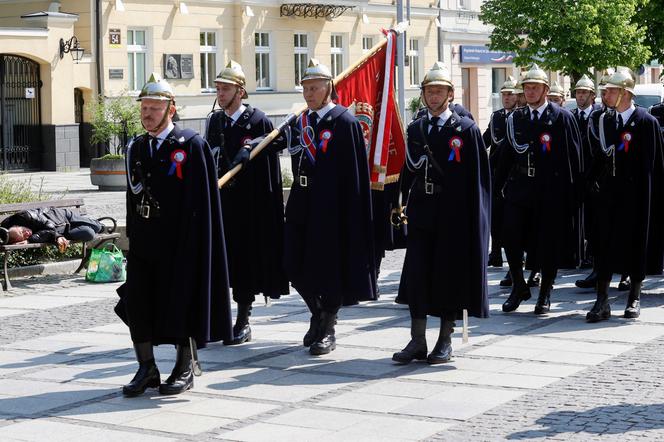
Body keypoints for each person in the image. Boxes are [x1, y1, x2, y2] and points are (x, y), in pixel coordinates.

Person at [117, 73, 232, 396]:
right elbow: (132, 197)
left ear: (171, 109)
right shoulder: (137, 147)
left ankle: (184, 367)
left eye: (155, 108)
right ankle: (147, 367)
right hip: (145, 241)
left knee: (181, 301)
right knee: (138, 303)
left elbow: (204, 201)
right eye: (144, 108)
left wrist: (196, 245)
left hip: (181, 241)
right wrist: (132, 241)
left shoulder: (190, 144)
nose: (147, 114)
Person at [393, 62, 490, 365]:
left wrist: (475, 219)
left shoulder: (466, 129)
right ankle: (417, 340)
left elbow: (477, 179)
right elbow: (408, 170)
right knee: (418, 277)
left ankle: (445, 340)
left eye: (439, 91)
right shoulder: (417, 128)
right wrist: (397, 203)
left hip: (453, 215)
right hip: (423, 211)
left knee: (449, 278)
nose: (433, 97)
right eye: (429, 91)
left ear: (450, 94)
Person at [284, 59, 377, 355]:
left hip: (332, 208)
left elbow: (353, 173)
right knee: (293, 264)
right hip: (302, 203)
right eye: (305, 88)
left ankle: (329, 326)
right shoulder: (301, 121)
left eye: (314, 88)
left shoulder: (343, 121)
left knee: (329, 269)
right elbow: (278, 141)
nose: (309, 94)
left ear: (328, 88)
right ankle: (317, 311)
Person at [205, 61, 289, 345]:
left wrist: (253, 148)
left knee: (244, 263)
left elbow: (274, 153)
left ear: (240, 91)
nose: (220, 93)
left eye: (225, 88)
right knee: (221, 262)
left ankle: (243, 319)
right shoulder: (215, 121)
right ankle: (219, 320)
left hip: (249, 205)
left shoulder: (258, 120)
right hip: (223, 203)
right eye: (218, 88)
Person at [496, 63, 582, 315]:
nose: (531, 92)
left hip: (550, 190)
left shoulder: (560, 117)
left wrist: (572, 195)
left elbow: (573, 157)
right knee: (509, 237)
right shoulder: (517, 118)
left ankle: (545, 292)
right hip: (521, 187)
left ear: (546, 90)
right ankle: (519, 286)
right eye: (527, 88)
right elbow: (507, 155)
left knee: (548, 243)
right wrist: (497, 187)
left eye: (535, 88)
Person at [585, 67, 664, 322]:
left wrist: (652, 198)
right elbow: (598, 157)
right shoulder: (604, 120)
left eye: (609, 91)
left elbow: (654, 165)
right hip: (608, 195)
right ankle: (602, 300)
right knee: (603, 245)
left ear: (624, 93)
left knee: (635, 245)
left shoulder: (645, 122)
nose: (604, 96)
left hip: (635, 195)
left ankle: (634, 297)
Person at [484, 76, 518, 268]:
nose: (506, 98)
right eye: (504, 94)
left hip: (514, 173)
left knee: (512, 216)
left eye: (510, 94)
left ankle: (517, 253)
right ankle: (495, 251)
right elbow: (487, 138)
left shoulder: (520, 116)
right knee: (495, 215)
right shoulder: (496, 116)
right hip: (497, 173)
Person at [571, 75, 602, 286]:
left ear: (592, 96)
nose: (580, 96)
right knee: (575, 216)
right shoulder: (570, 116)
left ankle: (591, 254)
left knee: (593, 218)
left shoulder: (599, 116)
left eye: (584, 93)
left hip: (594, 175)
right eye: (578, 93)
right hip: (575, 174)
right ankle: (576, 253)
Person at [0, 207, 106, 252]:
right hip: (63, 232)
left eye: (22, 231)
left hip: (61, 216)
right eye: (24, 236)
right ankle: (95, 226)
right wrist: (29, 240)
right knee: (89, 233)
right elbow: (48, 232)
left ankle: (98, 225)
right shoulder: (8, 234)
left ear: (17, 226)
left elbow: (48, 224)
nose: (27, 233)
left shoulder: (25, 216)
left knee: (98, 227)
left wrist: (30, 239)